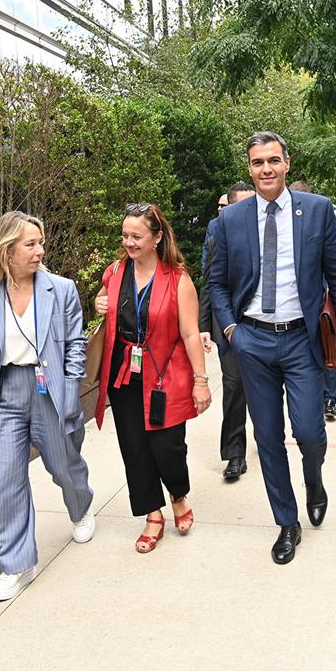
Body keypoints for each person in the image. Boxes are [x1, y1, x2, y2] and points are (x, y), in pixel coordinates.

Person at [208, 131, 336, 564]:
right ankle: (286, 522)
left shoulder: (316, 210)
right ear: (249, 168)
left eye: (273, 160)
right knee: (267, 436)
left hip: (302, 340)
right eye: (257, 163)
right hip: (252, 339)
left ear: (287, 163)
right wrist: (232, 329)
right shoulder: (231, 221)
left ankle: (314, 478)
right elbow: (216, 282)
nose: (266, 169)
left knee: (310, 433)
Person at [0, 211, 95, 601]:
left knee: (64, 465)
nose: (40, 251)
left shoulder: (62, 288)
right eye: (30, 244)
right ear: (7, 250)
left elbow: (75, 344)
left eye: (41, 242)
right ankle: (18, 563)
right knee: (7, 480)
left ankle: (81, 505)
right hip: (3, 394)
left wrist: (70, 390)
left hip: (48, 390)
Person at [93, 203, 212, 553]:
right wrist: (101, 302)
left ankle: (178, 494)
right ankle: (152, 514)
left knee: (167, 447)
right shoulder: (115, 272)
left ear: (157, 237)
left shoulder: (178, 280)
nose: (129, 242)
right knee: (134, 448)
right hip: (124, 376)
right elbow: (107, 306)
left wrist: (200, 380)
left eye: (137, 236)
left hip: (166, 377)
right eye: (125, 235)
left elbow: (191, 334)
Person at [200, 183, 256, 480]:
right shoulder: (218, 236)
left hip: (267, 328)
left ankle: (265, 433)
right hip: (230, 327)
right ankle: (234, 454)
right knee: (234, 387)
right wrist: (205, 326)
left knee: (263, 389)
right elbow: (210, 281)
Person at [290, 180, 336, 422]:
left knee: (328, 349)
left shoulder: (320, 220)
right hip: (293, 312)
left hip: (321, 303)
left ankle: (330, 398)